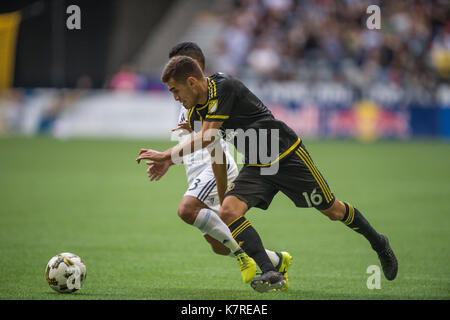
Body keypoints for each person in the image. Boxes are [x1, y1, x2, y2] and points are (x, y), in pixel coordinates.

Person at [136, 55, 398, 293]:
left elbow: (208, 136)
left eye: (175, 90)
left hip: (286, 155)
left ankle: (379, 243)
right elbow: (215, 149)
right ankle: (270, 270)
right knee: (228, 211)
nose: (175, 97)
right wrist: (217, 187)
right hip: (258, 165)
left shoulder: (224, 86)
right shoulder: (196, 113)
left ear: (192, 82)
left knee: (333, 210)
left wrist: (166, 155)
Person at [140, 42, 292, 287]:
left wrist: (222, 192)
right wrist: (171, 160)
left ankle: (248, 259)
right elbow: (189, 144)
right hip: (197, 173)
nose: (173, 71)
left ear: (194, 68)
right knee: (218, 247)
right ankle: (276, 261)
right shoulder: (185, 102)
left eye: (178, 65)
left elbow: (215, 147)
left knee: (186, 210)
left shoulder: (211, 99)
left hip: (216, 167)